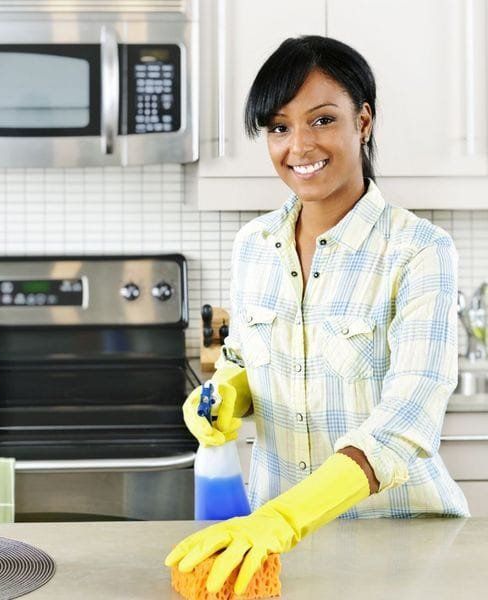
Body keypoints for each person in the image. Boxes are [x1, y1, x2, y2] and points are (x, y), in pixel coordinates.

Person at [165, 35, 469, 595]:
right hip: (273, 549)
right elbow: (242, 359)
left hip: (400, 543)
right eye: (279, 127)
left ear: (364, 122)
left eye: (322, 119)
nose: (299, 145)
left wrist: (288, 516)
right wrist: (228, 395)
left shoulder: (419, 250)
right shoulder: (253, 245)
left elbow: (407, 417)